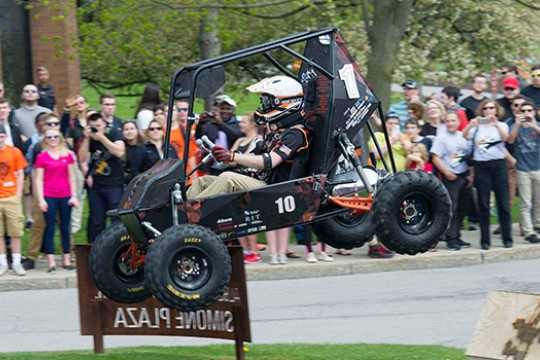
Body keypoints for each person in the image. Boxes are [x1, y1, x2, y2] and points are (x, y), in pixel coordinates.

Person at [187, 76, 309, 265]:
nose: (264, 105)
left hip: (277, 189)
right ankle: (179, 218)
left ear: (286, 103)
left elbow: (270, 161)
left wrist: (233, 157)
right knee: (204, 181)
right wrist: (228, 156)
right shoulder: (276, 131)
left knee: (228, 179)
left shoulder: (296, 134)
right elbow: (253, 156)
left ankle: (191, 222)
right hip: (261, 182)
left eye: (268, 101)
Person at [463, 100, 513, 250]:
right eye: (486, 108)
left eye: (492, 108)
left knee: (503, 203)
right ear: (482, 111)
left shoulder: (502, 125)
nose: (489, 110)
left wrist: (496, 124)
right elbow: (466, 136)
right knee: (483, 204)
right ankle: (485, 240)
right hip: (481, 166)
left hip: (498, 165)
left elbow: (505, 138)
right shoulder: (478, 127)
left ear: (496, 110)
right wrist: (471, 125)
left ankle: (507, 237)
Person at [21, 114, 63, 270]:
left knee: (63, 224)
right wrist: (37, 193)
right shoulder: (38, 146)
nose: (52, 125)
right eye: (48, 123)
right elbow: (32, 169)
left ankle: (67, 256)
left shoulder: (64, 147)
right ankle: (32, 256)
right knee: (38, 224)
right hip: (44, 191)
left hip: (62, 192)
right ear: (43, 126)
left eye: (56, 123)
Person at [34, 128, 78, 273]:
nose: (52, 139)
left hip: (65, 194)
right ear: (45, 140)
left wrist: (74, 195)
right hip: (49, 194)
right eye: (49, 137)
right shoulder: (42, 157)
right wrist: (41, 199)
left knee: (65, 227)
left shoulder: (67, 155)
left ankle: (66, 258)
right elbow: (38, 179)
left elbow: (72, 176)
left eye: (55, 136)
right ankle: (51, 261)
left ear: (59, 138)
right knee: (50, 227)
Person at [77, 112, 125, 243]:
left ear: (104, 124)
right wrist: (87, 139)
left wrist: (102, 138)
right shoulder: (89, 138)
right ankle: (94, 248)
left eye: (98, 126)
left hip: (114, 184)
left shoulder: (113, 132)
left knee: (116, 220)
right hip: (97, 185)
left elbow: (120, 152)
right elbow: (81, 158)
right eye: (93, 126)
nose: (96, 129)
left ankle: (116, 247)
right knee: (96, 220)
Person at [431, 112, 473, 251]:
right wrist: (447, 172)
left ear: (458, 122)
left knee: (464, 207)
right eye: (447, 121)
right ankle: (450, 238)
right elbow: (435, 157)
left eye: (453, 120)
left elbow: (470, 156)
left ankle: (457, 235)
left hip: (464, 176)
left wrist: (471, 175)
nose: (450, 123)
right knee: (452, 209)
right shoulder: (442, 138)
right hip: (450, 178)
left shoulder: (463, 137)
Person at [228, 112, 264, 264]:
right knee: (236, 217)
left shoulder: (258, 140)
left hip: (249, 181)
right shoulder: (240, 140)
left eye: (243, 122)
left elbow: (248, 159)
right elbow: (231, 161)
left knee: (248, 217)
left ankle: (254, 251)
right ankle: (245, 250)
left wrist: (235, 157)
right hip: (235, 182)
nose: (240, 124)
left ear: (252, 124)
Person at [507, 101, 540, 244]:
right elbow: (510, 140)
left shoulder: (537, 125)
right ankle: (528, 231)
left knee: (539, 201)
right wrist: (517, 124)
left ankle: (538, 225)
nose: (526, 113)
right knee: (525, 203)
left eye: (529, 111)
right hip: (523, 169)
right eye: (524, 111)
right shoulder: (515, 126)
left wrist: (533, 125)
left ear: (533, 112)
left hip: (538, 168)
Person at [0, 124, 27, 276]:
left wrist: (18, 194)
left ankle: (16, 263)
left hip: (11, 197)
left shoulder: (14, 152)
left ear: (5, 136)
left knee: (15, 231)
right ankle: (3, 263)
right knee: (0, 234)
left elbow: (21, 173)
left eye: (2, 136)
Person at [168, 100, 199, 179]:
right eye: (179, 110)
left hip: (196, 168)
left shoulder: (197, 128)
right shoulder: (167, 130)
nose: (182, 112)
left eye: (185, 109)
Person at [121, 120, 145, 185]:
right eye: (126, 129)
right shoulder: (121, 147)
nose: (129, 132)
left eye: (132, 129)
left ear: (137, 130)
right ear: (122, 132)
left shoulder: (145, 147)